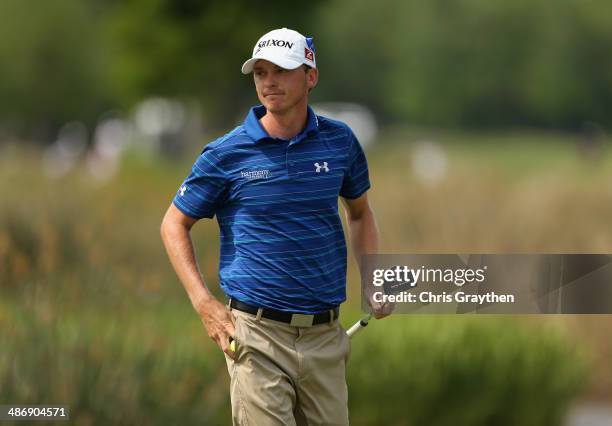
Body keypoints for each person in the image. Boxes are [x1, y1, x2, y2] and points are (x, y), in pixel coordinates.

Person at [161, 27, 389, 426]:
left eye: (281, 71)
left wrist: (372, 279)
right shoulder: (226, 153)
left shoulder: (341, 142)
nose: (269, 82)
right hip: (256, 336)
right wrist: (205, 305)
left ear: (310, 76)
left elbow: (360, 212)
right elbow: (173, 223)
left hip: (325, 336)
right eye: (261, 73)